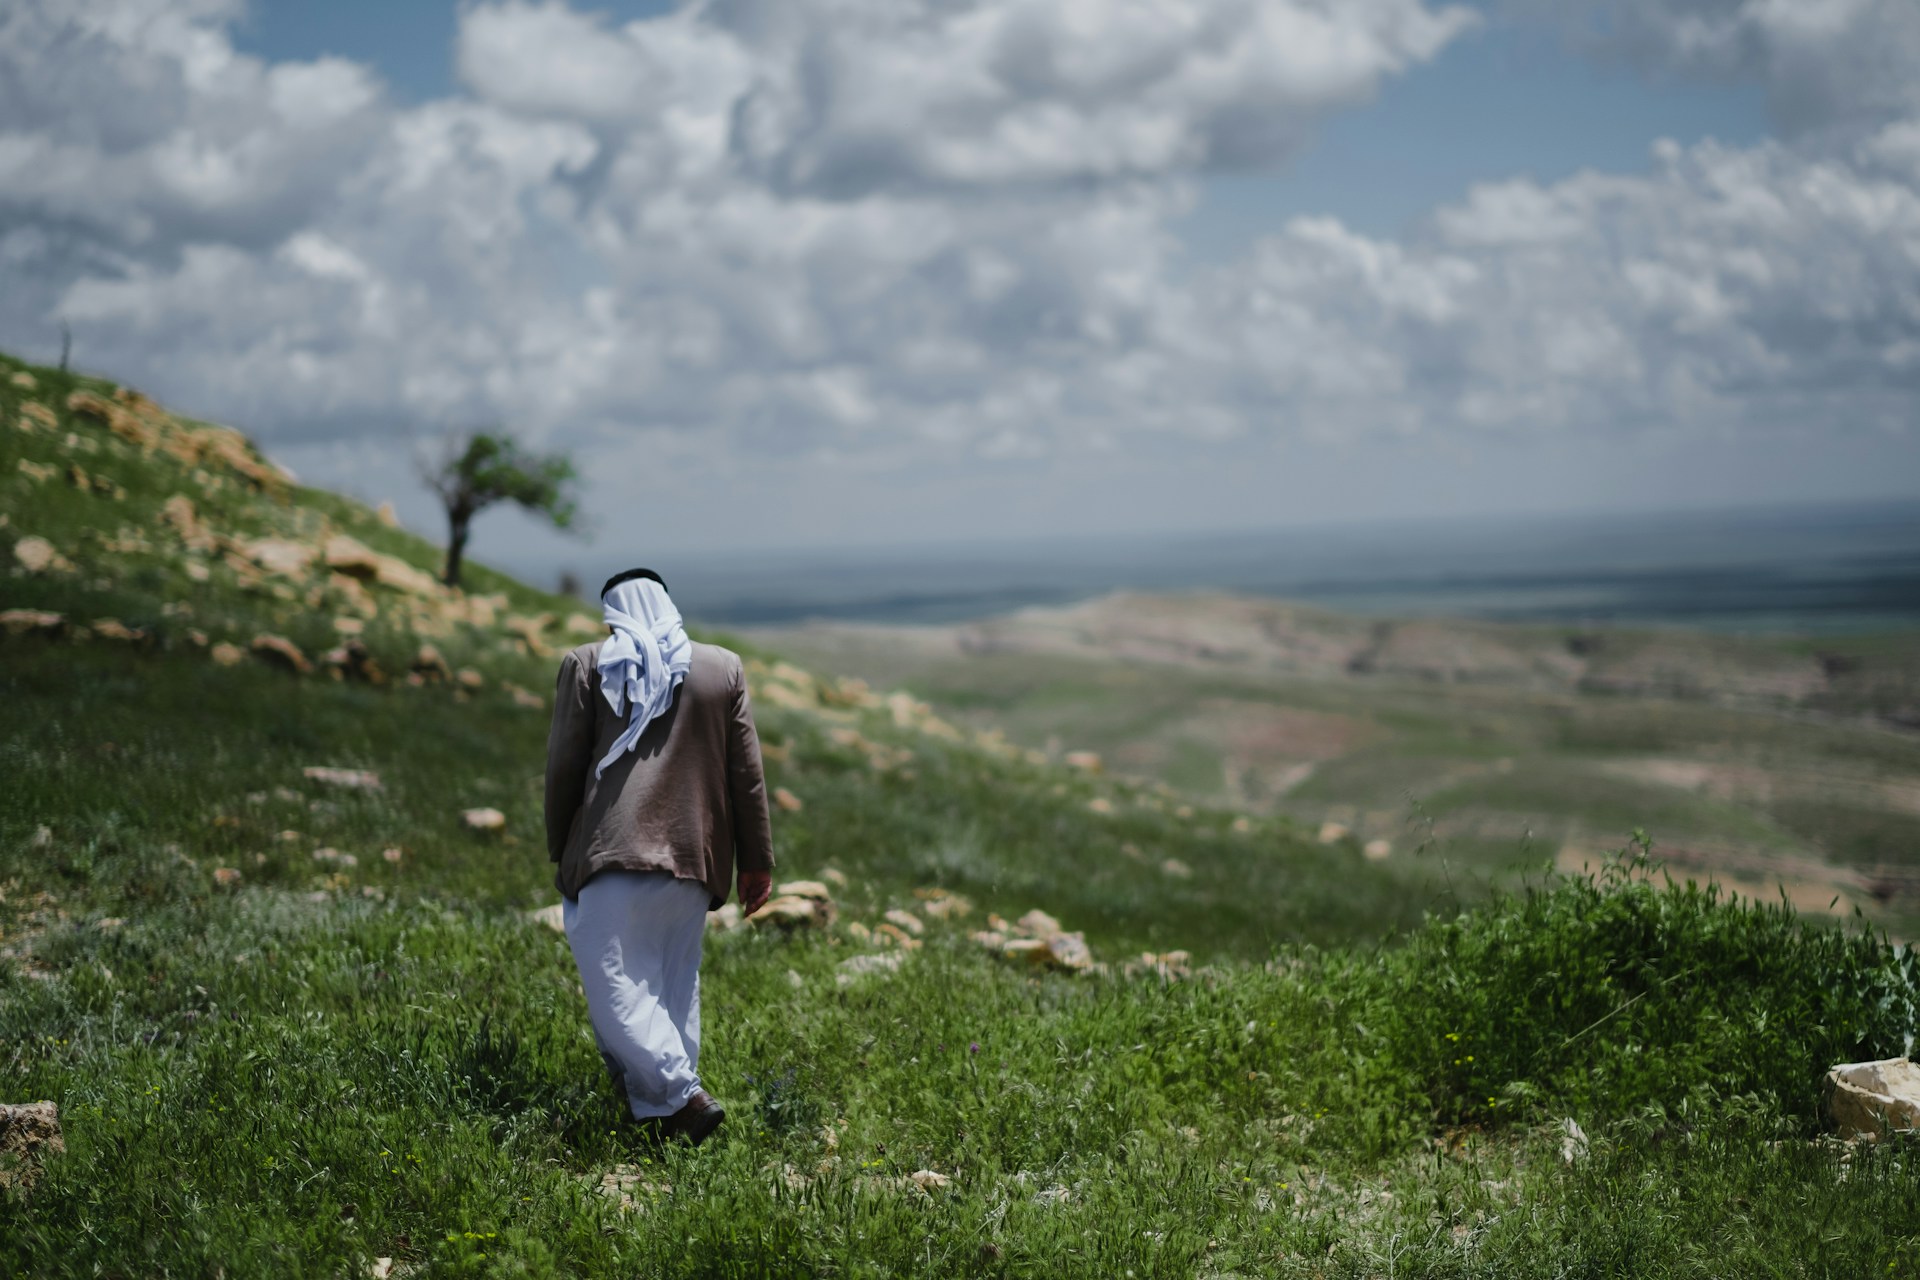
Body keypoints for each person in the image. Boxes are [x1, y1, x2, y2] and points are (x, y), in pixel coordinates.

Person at [543, 568, 774, 1145]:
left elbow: (564, 768)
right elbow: (747, 776)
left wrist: (561, 847)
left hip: (611, 854)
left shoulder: (590, 664)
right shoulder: (722, 668)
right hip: (695, 860)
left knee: (615, 980)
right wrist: (757, 861)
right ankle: (661, 1123)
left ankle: (681, 1095)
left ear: (614, 610)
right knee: (673, 985)